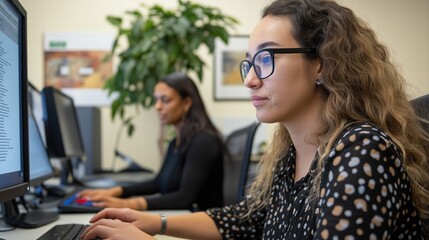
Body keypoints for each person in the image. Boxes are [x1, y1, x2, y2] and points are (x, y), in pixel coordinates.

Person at [81, 0, 429, 239]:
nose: (249, 79)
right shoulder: (291, 155)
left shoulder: (362, 149)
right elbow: (248, 219)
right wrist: (154, 222)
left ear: (322, 63)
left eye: (266, 59)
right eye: (249, 63)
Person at [78, 72, 224, 211]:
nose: (157, 106)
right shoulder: (176, 142)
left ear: (186, 103)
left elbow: (184, 198)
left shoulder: (204, 141)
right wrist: (115, 191)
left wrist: (127, 204)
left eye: (165, 100)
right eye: (156, 100)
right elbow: (158, 183)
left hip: (202, 226)